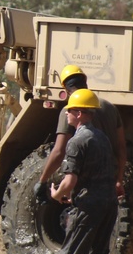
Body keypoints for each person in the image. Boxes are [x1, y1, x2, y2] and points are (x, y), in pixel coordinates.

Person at [47, 89, 133, 254]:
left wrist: (56, 194)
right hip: (109, 204)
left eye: (69, 111)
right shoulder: (102, 138)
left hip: (87, 207)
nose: (67, 115)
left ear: (79, 113)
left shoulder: (76, 142)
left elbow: (70, 180)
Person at [36, 64, 127, 201]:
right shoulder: (110, 107)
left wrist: (42, 181)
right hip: (109, 178)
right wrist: (119, 178)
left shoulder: (71, 110)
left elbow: (59, 151)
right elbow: (121, 147)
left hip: (87, 183)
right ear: (85, 83)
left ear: (66, 90)